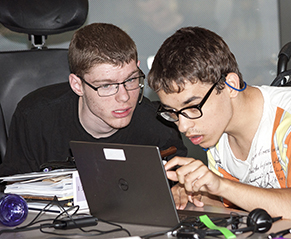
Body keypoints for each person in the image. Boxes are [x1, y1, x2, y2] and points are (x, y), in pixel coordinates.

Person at [147, 26, 291, 227]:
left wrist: (220, 185)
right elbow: (233, 201)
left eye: (193, 107)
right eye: (173, 113)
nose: (184, 126)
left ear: (230, 86)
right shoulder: (216, 131)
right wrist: (194, 192)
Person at [0, 23, 187, 177]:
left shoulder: (160, 125)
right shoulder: (35, 117)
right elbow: (12, 191)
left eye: (131, 80)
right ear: (77, 85)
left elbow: (182, 197)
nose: (124, 97)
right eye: (106, 85)